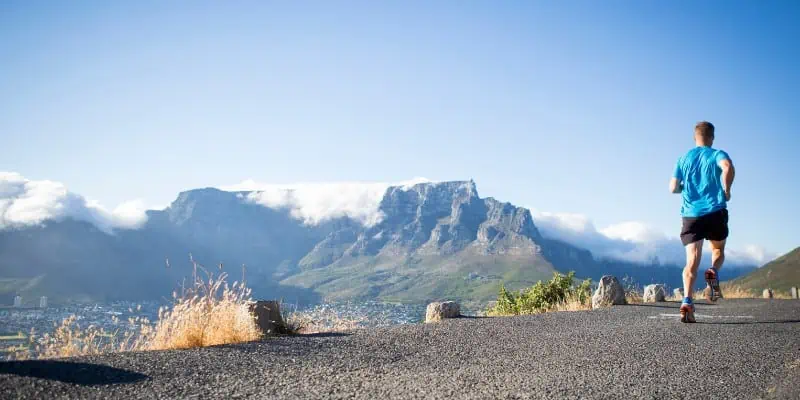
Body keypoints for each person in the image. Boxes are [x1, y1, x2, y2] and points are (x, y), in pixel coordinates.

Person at [669, 121, 735, 323]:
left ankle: (687, 301)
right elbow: (728, 167)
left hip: (691, 214)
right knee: (718, 251)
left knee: (691, 262)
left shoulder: (683, 158)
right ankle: (713, 271)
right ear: (712, 137)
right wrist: (727, 189)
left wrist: (685, 188)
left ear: (694, 137)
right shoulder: (717, 154)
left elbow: (672, 188)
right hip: (715, 211)